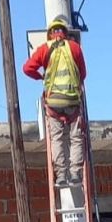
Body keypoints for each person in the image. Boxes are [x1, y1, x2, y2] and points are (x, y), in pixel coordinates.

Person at [23, 16, 87, 186]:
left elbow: (27, 68)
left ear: (50, 34)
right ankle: (75, 174)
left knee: (57, 138)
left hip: (53, 104)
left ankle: (61, 176)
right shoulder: (75, 48)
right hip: (73, 101)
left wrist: (41, 77)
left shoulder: (45, 49)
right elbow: (83, 74)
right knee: (76, 138)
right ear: (65, 33)